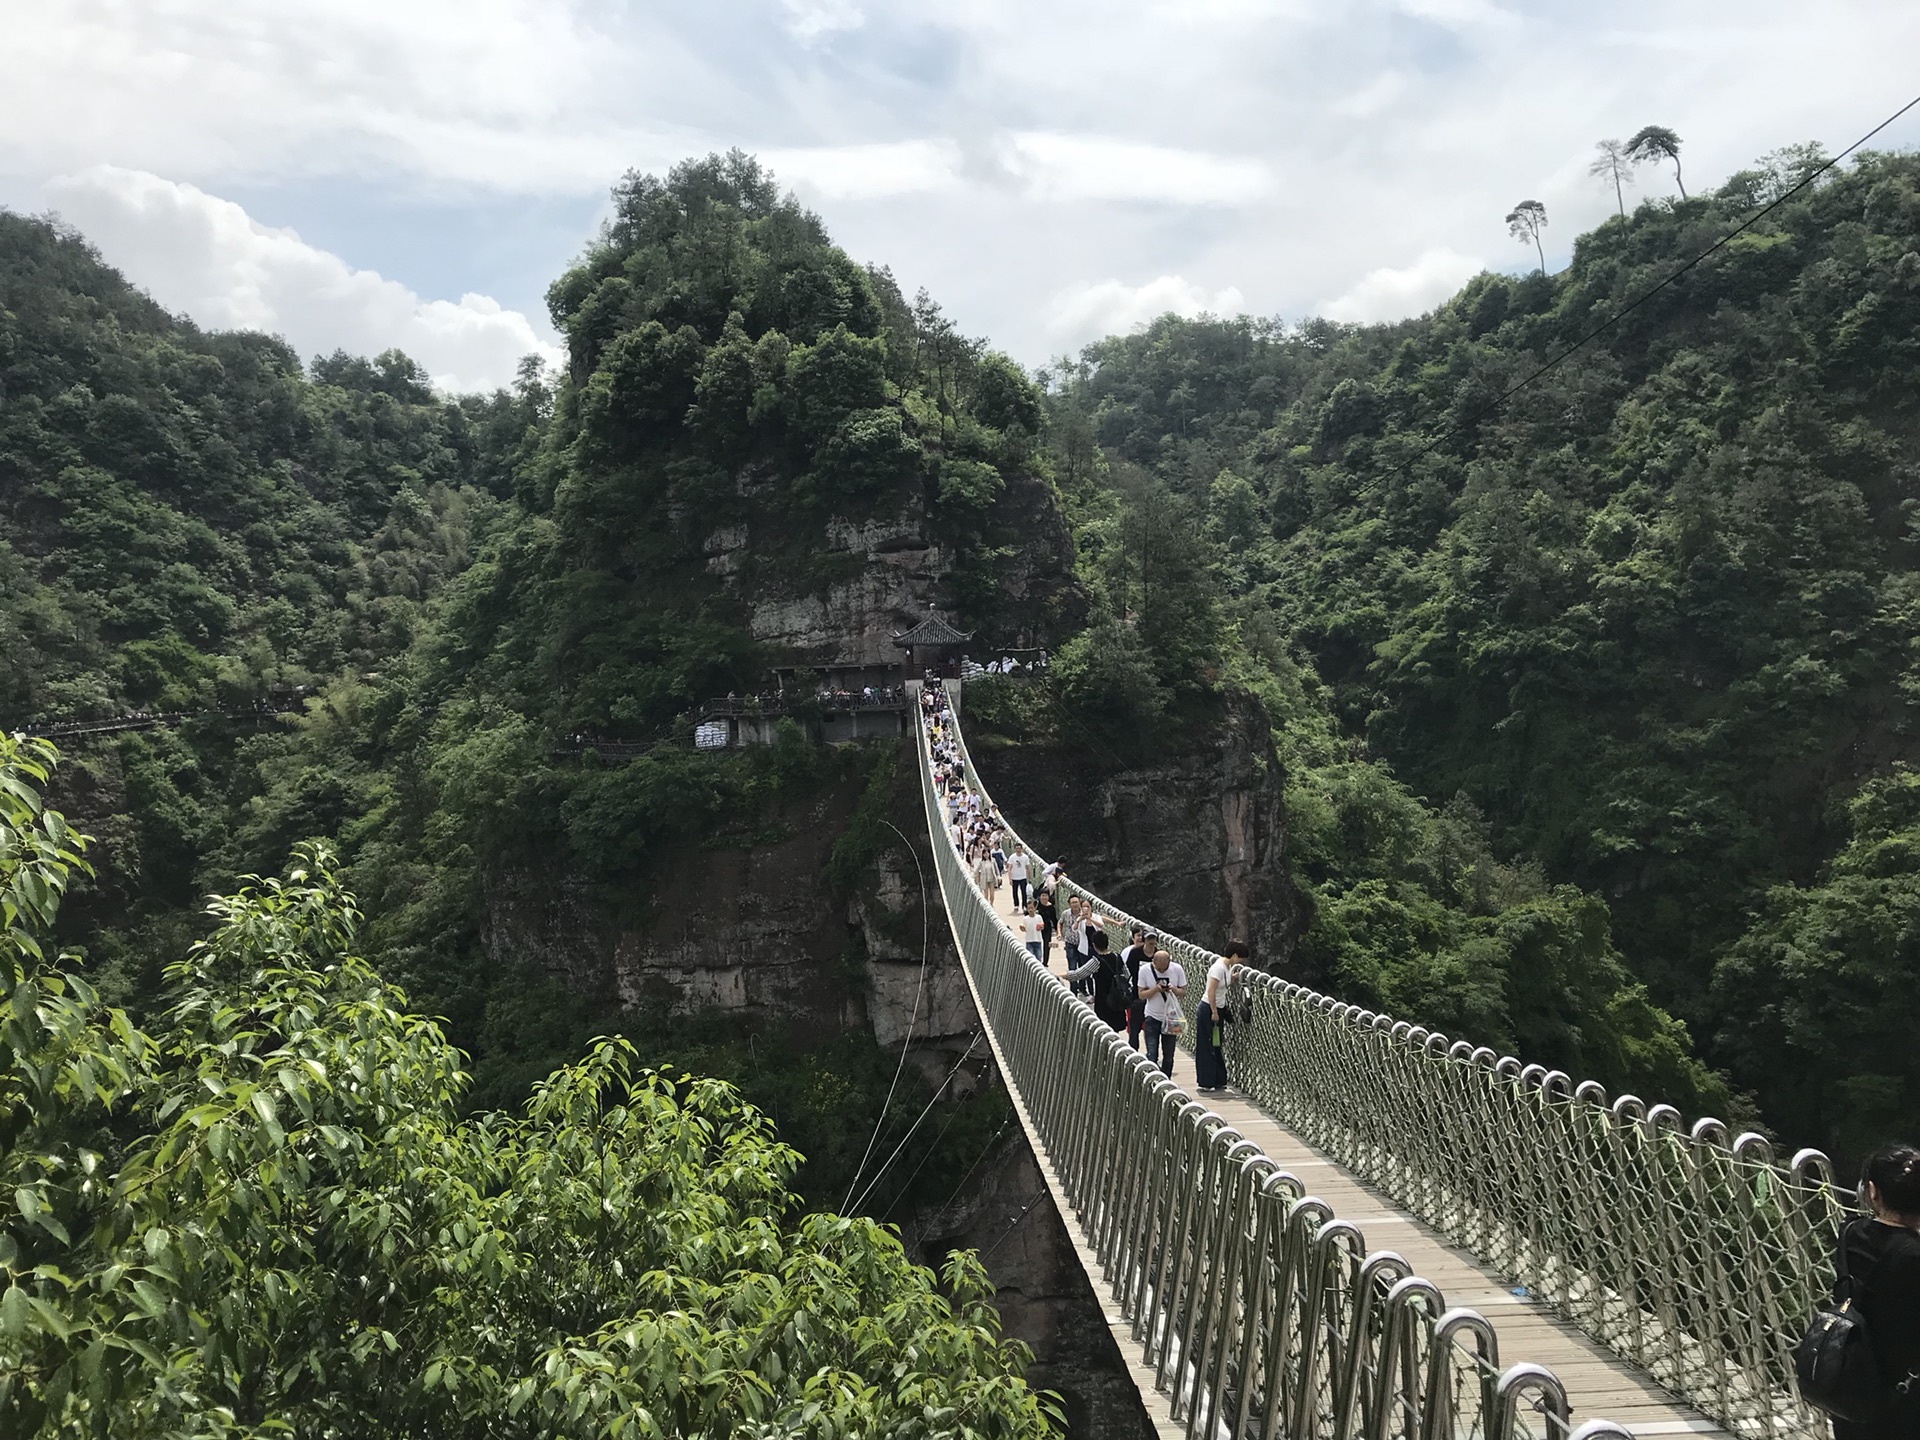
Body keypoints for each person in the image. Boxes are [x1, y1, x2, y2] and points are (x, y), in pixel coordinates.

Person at [1832, 1143, 1920, 1440]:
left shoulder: (1850, 1233)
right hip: (1905, 1393)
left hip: (1852, 1377)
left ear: (1871, 1191)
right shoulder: (1913, 1254)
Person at [1196, 940, 1245, 1093]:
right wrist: (1214, 1012)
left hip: (1219, 1008)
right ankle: (1206, 1081)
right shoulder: (1218, 968)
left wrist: (1233, 978)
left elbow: (1223, 986)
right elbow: (1211, 991)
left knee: (1217, 1043)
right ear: (1235, 955)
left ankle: (1218, 1080)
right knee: (1207, 1045)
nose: (1241, 961)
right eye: (1240, 958)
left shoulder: (1227, 967)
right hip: (1208, 1009)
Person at [1137, 948, 1187, 1078]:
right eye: (1159, 969)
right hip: (1152, 1016)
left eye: (1165, 968)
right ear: (1153, 962)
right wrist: (1155, 989)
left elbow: (1183, 992)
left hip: (1171, 1017)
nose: (1162, 971)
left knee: (1169, 1055)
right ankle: (1152, 1081)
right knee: (1152, 1054)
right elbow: (1141, 995)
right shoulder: (1145, 970)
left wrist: (1173, 990)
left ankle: (1166, 1080)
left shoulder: (1177, 969)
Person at [1120, 927, 1155, 1053]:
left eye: (1153, 938)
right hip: (1136, 997)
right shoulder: (1134, 953)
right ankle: (1133, 1053)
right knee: (1134, 1028)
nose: (1151, 941)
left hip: (1154, 998)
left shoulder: (1159, 954)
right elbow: (1127, 972)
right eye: (1149, 938)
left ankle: (1151, 1055)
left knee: (1151, 1028)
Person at [1035, 885, 1057, 965]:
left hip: (1047, 927)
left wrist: (1058, 930)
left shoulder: (1051, 907)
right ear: (1040, 896)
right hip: (1037, 927)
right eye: (1042, 895)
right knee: (1037, 943)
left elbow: (1054, 919)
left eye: (1046, 895)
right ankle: (1037, 958)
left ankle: (1045, 962)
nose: (1044, 897)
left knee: (1047, 944)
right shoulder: (1036, 905)